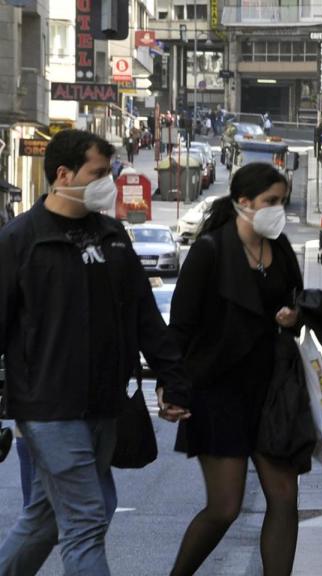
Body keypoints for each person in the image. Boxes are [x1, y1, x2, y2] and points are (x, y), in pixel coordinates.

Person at [0, 129, 190, 575]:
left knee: (47, 518)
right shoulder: (20, 240)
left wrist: (172, 378)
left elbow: (144, 315)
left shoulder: (112, 235)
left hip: (105, 403)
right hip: (47, 406)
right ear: (64, 175)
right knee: (88, 515)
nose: (110, 181)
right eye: (99, 173)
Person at [159, 162, 304, 576]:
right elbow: (181, 326)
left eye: (282, 201)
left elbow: (299, 302)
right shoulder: (210, 251)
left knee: (284, 497)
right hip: (217, 391)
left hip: (271, 391)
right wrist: (172, 385)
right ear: (244, 204)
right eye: (271, 202)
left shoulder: (281, 249)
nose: (279, 209)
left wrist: (294, 316)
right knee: (225, 507)